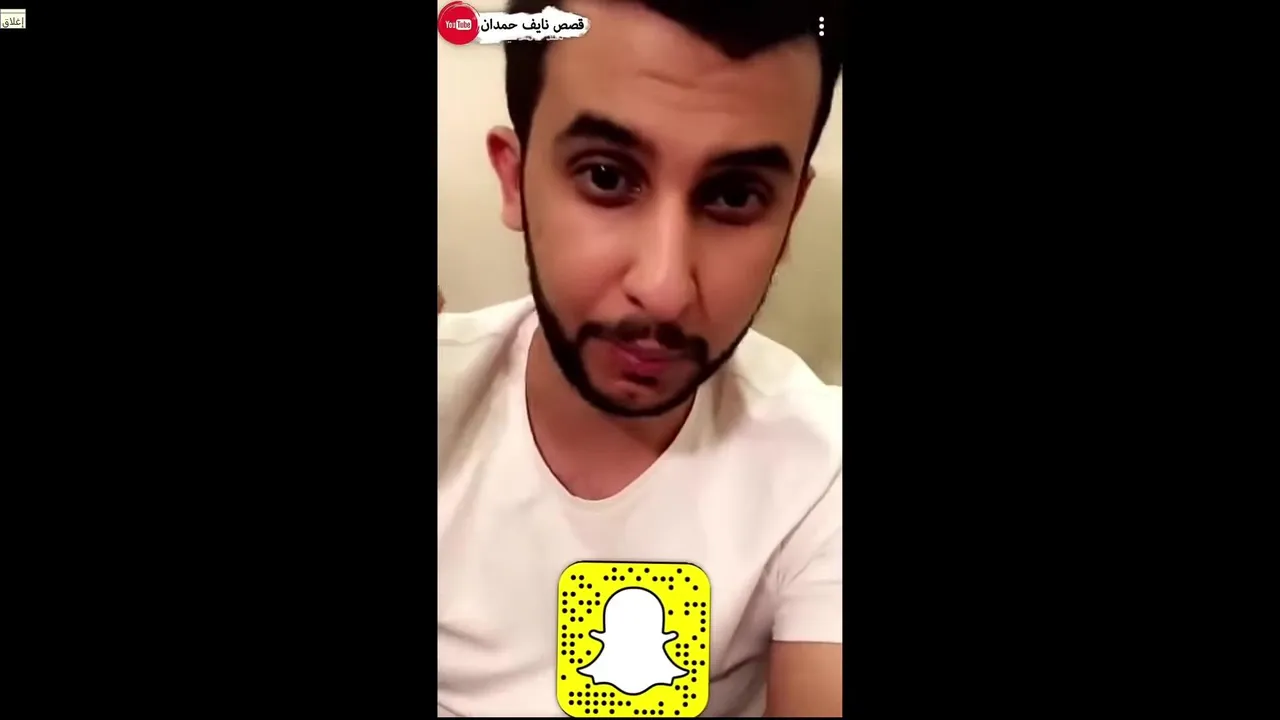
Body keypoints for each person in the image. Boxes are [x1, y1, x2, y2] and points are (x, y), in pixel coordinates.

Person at [437, 0, 843, 715]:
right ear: (515, 179)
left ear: (790, 217)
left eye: (736, 195)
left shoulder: (823, 471)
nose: (663, 288)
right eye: (605, 176)